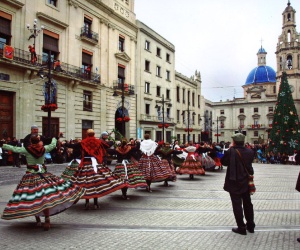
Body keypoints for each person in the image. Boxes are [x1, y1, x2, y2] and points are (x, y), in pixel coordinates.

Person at [1, 133, 85, 231]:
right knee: (46, 196)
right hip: (44, 175)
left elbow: (14, 149)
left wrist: (3, 145)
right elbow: (53, 145)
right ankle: (47, 218)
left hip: (30, 176)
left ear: (30, 142)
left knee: (33, 198)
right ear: (39, 141)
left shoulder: (26, 150)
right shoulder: (44, 149)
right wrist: (55, 137)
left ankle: (38, 219)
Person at [70, 129, 126, 209]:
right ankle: (96, 203)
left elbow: (74, 146)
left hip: (85, 163)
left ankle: (87, 202)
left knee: (86, 182)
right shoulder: (98, 141)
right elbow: (107, 145)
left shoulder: (83, 142)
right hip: (95, 164)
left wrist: (65, 144)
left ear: (87, 134)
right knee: (96, 182)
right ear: (94, 134)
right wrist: (112, 141)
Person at [221, 133, 255, 235]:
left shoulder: (231, 151)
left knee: (237, 205)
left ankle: (241, 227)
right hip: (246, 181)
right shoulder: (250, 151)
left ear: (234, 142)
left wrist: (230, 149)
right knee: (248, 203)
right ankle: (251, 225)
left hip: (234, 181)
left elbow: (224, 162)